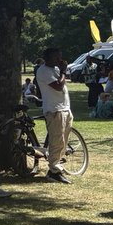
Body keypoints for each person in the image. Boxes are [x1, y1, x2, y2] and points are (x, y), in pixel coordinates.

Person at [36, 48, 73, 183]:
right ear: (47, 58)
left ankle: (57, 166)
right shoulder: (43, 70)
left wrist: (61, 71)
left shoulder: (56, 69)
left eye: (60, 57)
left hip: (64, 108)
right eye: (56, 58)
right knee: (57, 141)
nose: (60, 60)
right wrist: (63, 71)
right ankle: (53, 172)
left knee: (63, 140)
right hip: (54, 110)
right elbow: (57, 86)